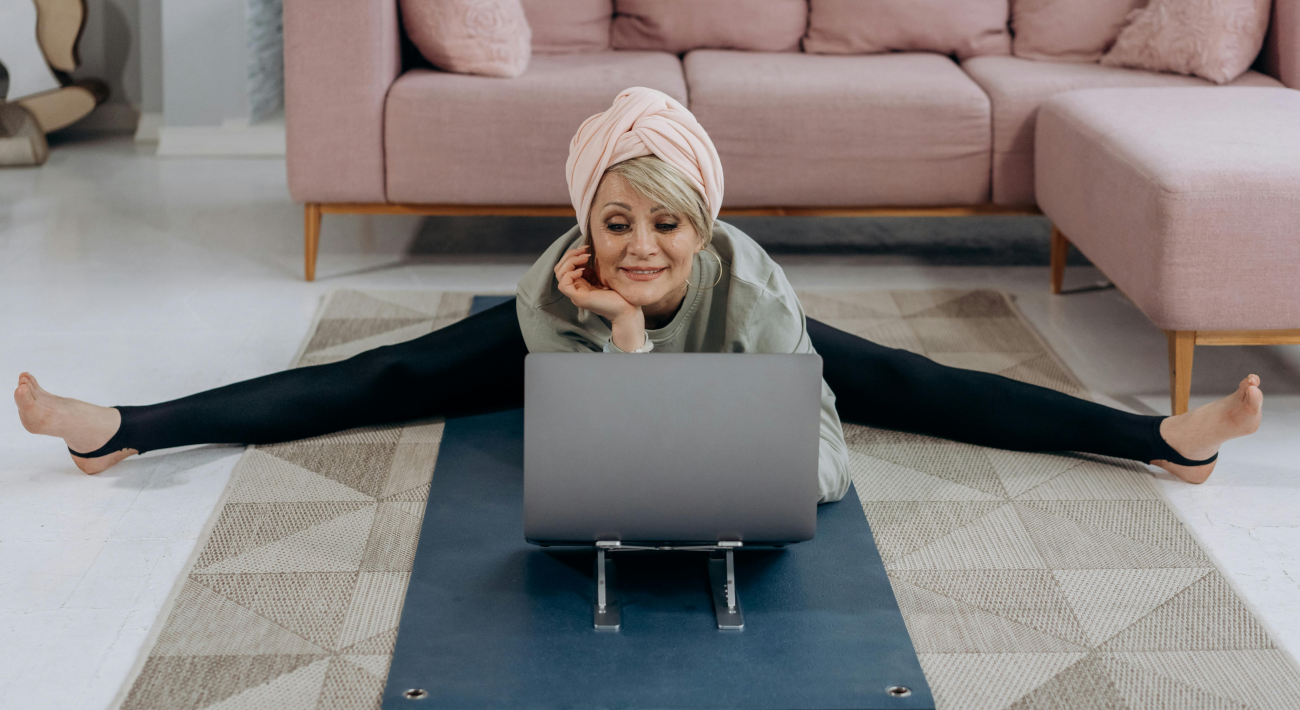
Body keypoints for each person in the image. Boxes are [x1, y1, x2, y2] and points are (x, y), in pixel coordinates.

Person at [15, 87, 1262, 502]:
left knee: (917, 386)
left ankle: (1161, 441)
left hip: (734, 350)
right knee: (377, 377)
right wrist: (613, 334)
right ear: (582, 225)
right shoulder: (556, 293)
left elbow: (824, 470)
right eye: (618, 223)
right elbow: (602, 457)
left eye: (667, 224)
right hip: (567, 341)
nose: (643, 247)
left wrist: (674, 362)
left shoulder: (747, 286)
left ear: (705, 227)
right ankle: (122, 428)